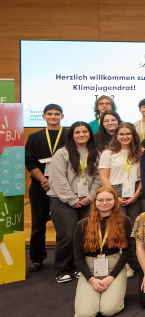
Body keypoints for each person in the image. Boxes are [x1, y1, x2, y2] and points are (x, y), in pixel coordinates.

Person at [48, 121, 102, 283]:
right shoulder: (62, 154)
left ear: (89, 134)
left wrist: (91, 197)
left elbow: (99, 178)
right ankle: (63, 268)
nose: (81, 135)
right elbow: (58, 179)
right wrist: (72, 199)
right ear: (71, 135)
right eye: (77, 132)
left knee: (85, 235)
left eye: (84, 132)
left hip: (87, 200)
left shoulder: (95, 153)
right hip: (63, 200)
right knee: (67, 235)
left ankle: (80, 267)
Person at [72, 188, 132, 317]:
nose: (104, 203)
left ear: (115, 201)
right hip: (90, 269)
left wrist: (111, 277)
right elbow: (78, 257)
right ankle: (94, 295)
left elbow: (127, 252)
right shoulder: (82, 225)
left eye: (109, 200)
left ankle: (109, 295)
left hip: (114, 268)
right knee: (84, 316)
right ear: (95, 202)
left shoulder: (124, 221)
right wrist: (91, 279)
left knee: (108, 310)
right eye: (100, 200)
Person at [25, 104, 68, 272]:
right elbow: (29, 161)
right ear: (43, 116)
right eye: (49, 114)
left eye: (57, 114)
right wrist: (44, 180)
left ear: (62, 117)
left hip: (64, 187)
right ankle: (37, 258)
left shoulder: (69, 135)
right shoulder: (35, 137)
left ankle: (63, 259)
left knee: (63, 224)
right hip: (39, 186)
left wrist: (57, 181)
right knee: (38, 224)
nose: (53, 117)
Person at [99, 122, 143, 218]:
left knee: (134, 224)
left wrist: (137, 194)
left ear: (133, 135)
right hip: (115, 190)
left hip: (136, 191)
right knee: (117, 223)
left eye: (128, 134)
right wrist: (114, 196)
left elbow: (144, 175)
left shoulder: (141, 152)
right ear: (116, 136)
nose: (124, 137)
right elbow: (103, 177)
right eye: (121, 134)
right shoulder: (108, 153)